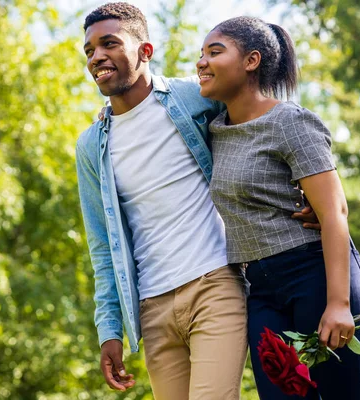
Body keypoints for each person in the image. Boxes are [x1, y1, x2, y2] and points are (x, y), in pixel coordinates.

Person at [75, 4, 318, 399]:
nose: (97, 56)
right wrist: (109, 329)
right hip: (152, 308)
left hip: (215, 284)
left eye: (109, 43)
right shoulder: (92, 146)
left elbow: (263, 122)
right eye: (89, 50)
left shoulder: (193, 98)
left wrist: (304, 190)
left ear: (145, 51)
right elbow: (102, 245)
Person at [196, 17, 360, 399]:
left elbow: (334, 212)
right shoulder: (215, 129)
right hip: (260, 290)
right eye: (201, 54)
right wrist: (109, 115)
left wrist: (338, 303)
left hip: (316, 276)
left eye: (214, 52)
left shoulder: (290, 121)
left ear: (251, 61)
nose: (201, 62)